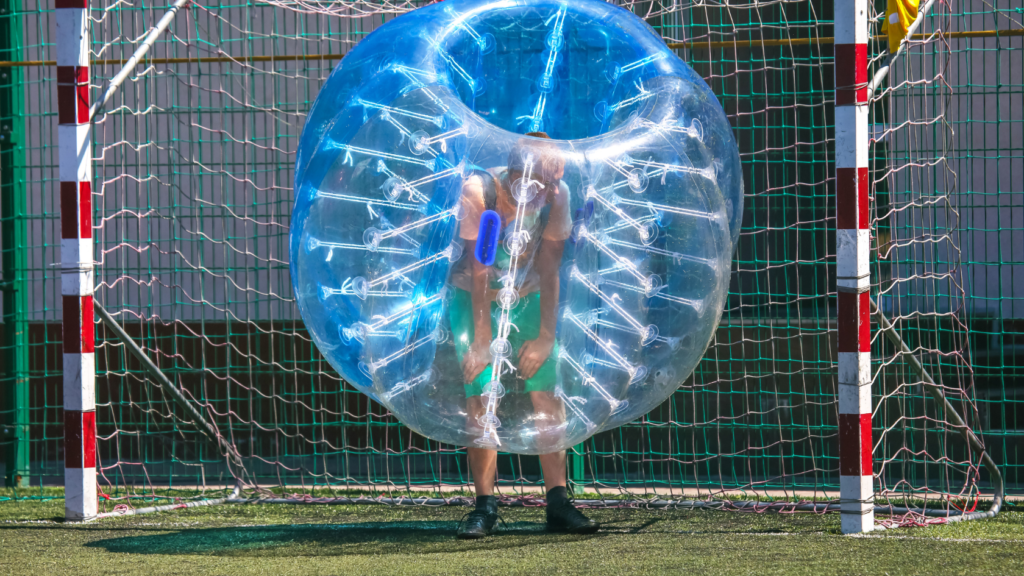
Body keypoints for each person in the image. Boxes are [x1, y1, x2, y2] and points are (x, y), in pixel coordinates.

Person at [448, 132, 599, 539]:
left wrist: (547, 335)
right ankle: (484, 505)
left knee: (545, 388)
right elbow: (480, 268)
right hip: (474, 295)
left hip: (528, 292)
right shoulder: (480, 193)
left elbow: (550, 267)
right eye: (525, 186)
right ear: (511, 174)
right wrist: (482, 339)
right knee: (481, 389)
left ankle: (558, 501)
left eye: (545, 188)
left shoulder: (557, 196)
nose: (534, 197)